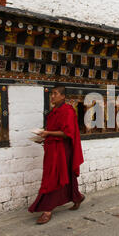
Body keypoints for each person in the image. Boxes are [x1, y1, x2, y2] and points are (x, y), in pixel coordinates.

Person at [28, 86, 85, 224]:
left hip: (62, 150)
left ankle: (47, 210)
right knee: (66, 175)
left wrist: (48, 134)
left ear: (63, 96)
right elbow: (54, 130)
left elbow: (67, 133)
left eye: (55, 94)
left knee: (52, 177)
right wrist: (44, 137)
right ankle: (77, 197)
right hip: (52, 148)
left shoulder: (68, 111)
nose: (52, 96)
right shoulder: (54, 112)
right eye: (52, 94)